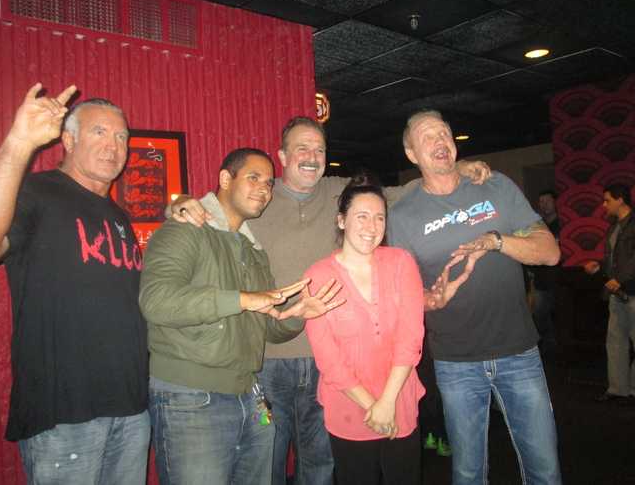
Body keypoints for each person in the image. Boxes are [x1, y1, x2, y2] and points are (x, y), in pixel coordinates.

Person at [168, 116, 490, 484]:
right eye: (301, 148)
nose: (311, 156)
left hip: (330, 364)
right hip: (271, 356)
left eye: (319, 149)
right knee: (267, 462)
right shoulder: (259, 195)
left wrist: (454, 168)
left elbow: (399, 194)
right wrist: (177, 204)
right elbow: (208, 210)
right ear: (282, 156)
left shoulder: (338, 191)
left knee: (321, 465)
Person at [0, 84, 151, 484]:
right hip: (64, 413)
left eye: (121, 136)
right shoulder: (37, 191)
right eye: (100, 132)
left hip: (131, 406)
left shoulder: (119, 216)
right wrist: (18, 142)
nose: (114, 145)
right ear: (68, 140)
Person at [139, 147, 345, 485]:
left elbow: (265, 325)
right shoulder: (184, 230)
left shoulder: (252, 250)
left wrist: (296, 314)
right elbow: (156, 301)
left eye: (268, 182)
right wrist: (244, 299)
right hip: (190, 397)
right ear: (224, 178)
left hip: (250, 395)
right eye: (253, 178)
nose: (264, 189)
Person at [387, 109, 563, 485]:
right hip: (456, 361)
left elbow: (550, 251)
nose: (438, 141)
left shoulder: (495, 186)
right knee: (468, 473)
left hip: (519, 351)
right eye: (426, 137)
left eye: (443, 133)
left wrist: (498, 241)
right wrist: (428, 299)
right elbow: (401, 293)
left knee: (544, 469)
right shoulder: (401, 215)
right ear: (411, 154)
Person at [304, 174, 426, 485]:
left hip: (399, 399)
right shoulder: (318, 276)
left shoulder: (401, 262)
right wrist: (373, 407)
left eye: (379, 217)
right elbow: (328, 359)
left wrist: (387, 403)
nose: (372, 227)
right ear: (341, 221)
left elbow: (410, 338)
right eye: (362, 216)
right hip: (348, 407)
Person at [583, 184, 635, 403]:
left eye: (607, 200)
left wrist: (620, 279)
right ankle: (618, 389)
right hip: (618, 293)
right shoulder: (614, 226)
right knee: (615, 342)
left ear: (620, 200)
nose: (604, 204)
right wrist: (599, 266)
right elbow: (616, 260)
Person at [529, 189, 561, 358]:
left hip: (558, 278)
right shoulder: (539, 226)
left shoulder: (562, 224)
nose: (543, 205)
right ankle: (549, 344)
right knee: (540, 313)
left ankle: (555, 345)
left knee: (555, 312)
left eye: (547, 201)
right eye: (541, 202)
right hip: (541, 278)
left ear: (555, 202)